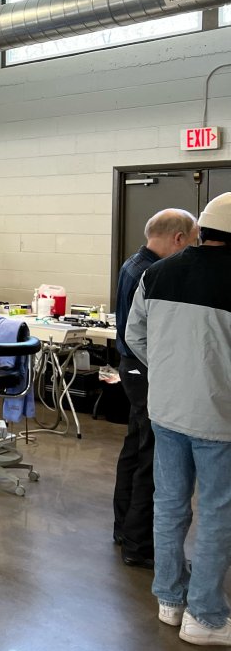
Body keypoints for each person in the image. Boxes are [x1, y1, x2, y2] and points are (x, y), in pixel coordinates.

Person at [126, 192, 231, 647]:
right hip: (219, 418)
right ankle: (205, 617)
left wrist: (170, 375)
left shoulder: (157, 273)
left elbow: (134, 335)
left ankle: (169, 600)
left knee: (169, 505)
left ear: (202, 230)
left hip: (166, 410)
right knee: (217, 513)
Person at [112, 209, 197, 569]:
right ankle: (139, 545)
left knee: (135, 449)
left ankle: (123, 529)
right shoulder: (154, 273)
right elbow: (144, 333)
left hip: (131, 367)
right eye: (192, 242)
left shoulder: (132, 264)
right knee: (151, 458)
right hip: (143, 369)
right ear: (179, 238)